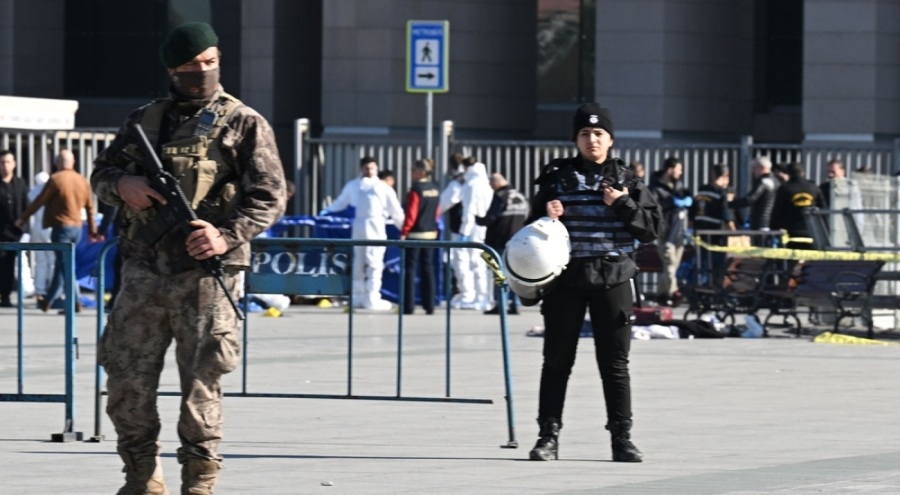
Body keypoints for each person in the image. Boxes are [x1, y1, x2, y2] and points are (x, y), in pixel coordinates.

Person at [89, 22, 286, 494]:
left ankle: (199, 482)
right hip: (142, 270)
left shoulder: (244, 122)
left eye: (211, 62)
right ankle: (140, 478)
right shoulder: (145, 120)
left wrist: (225, 236)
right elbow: (101, 173)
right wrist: (123, 186)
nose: (203, 72)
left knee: (201, 388)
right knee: (125, 383)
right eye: (192, 66)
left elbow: (270, 195)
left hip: (205, 274)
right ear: (172, 69)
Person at [526, 102, 662, 463]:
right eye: (585, 134)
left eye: (598, 134)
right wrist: (545, 213)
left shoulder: (628, 181)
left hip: (613, 278)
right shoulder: (555, 179)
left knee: (615, 364)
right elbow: (529, 230)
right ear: (576, 139)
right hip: (566, 280)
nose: (592, 140)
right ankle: (547, 437)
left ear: (611, 140)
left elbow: (651, 229)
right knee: (556, 361)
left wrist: (622, 204)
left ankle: (622, 439)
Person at [17, 149, 101, 312]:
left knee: (63, 266)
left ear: (57, 163)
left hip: (61, 228)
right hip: (77, 228)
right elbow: (90, 208)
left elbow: (40, 201)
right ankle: (71, 301)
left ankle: (51, 300)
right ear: (73, 162)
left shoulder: (56, 179)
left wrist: (23, 218)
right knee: (66, 266)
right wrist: (92, 231)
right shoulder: (82, 180)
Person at [323, 156, 404, 310]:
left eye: (372, 168)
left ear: (377, 169)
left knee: (374, 261)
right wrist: (326, 213)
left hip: (376, 225)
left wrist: (404, 228)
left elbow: (395, 210)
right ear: (361, 168)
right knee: (358, 262)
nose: (369, 171)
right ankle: (358, 295)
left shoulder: (383, 187)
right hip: (359, 225)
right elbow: (340, 203)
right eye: (367, 168)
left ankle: (372, 296)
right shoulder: (353, 185)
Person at [476, 172, 528, 315]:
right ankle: (515, 303)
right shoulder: (520, 196)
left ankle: (501, 304)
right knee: (515, 274)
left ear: (495, 183)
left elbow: (491, 217)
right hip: (518, 240)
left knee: (499, 274)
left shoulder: (500, 196)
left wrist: (478, 220)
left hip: (499, 240)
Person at [399, 158, 440, 315]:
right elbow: (437, 212)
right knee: (428, 269)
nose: (411, 172)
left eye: (413, 169)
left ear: (421, 171)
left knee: (410, 269)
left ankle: (408, 306)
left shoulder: (416, 190)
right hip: (430, 233)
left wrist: (404, 231)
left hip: (415, 233)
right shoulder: (435, 189)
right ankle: (429, 305)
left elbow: (411, 213)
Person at [648, 156, 690, 307]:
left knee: (670, 268)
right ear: (670, 169)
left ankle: (660, 296)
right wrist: (670, 202)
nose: (681, 172)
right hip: (665, 234)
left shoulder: (678, 185)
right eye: (679, 169)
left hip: (679, 233)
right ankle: (675, 292)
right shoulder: (655, 188)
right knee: (670, 265)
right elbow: (653, 208)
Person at [456, 159, 495, 311]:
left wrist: (464, 231)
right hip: (484, 227)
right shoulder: (486, 184)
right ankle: (486, 297)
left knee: (476, 262)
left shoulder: (472, 185)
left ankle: (481, 298)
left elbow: (469, 209)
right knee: (485, 263)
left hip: (474, 228)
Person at [690, 164, 736, 284]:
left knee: (700, 264)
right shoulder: (721, 193)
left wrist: (691, 230)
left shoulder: (702, 190)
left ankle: (698, 288)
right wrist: (735, 233)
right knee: (717, 265)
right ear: (726, 176)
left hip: (699, 232)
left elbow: (692, 211)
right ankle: (714, 289)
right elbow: (726, 215)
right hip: (716, 235)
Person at [771, 162, 825, 249]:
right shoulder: (814, 188)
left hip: (791, 233)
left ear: (788, 174)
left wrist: (774, 228)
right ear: (802, 173)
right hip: (812, 232)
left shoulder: (785, 188)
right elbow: (823, 210)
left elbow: (777, 211)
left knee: (791, 260)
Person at [0, 150, 29, 308]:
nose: (5, 166)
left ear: (14, 164)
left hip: (13, 233)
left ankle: (5, 296)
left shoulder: (20, 183)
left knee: (9, 265)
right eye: (2, 162)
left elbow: (26, 206)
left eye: (8, 162)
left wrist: (23, 223)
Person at [729, 156, 779, 233]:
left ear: (762, 168)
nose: (753, 171)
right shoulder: (776, 181)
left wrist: (729, 204)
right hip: (772, 222)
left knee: (759, 243)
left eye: (754, 168)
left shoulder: (764, 182)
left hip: (761, 223)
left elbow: (750, 199)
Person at [27, 171, 54, 304]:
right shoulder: (50, 191)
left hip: (36, 228)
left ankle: (40, 290)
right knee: (53, 261)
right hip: (48, 227)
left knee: (40, 261)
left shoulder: (33, 192)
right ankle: (52, 290)